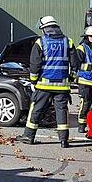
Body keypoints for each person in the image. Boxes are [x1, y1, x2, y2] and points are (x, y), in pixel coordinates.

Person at [18, 15, 76, 148]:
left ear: (44, 28)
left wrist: (33, 81)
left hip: (43, 85)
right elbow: (75, 64)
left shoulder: (40, 42)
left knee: (36, 110)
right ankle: (64, 141)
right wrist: (71, 78)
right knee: (61, 111)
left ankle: (29, 136)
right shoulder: (68, 41)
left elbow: (35, 64)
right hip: (62, 85)